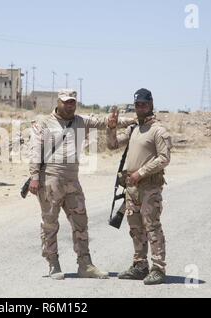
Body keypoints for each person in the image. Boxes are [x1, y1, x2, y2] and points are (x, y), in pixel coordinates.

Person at [29, 89, 135, 280]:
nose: (70, 105)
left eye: (72, 102)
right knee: (50, 223)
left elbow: (106, 122)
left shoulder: (80, 121)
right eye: (66, 102)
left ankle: (85, 265)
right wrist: (35, 177)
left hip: (72, 180)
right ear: (58, 102)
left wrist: (133, 121)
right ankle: (53, 264)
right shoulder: (43, 122)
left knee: (81, 222)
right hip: (50, 180)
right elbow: (35, 150)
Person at [107, 88, 172, 285]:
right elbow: (112, 145)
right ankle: (140, 265)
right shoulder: (134, 128)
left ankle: (158, 268)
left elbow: (164, 158)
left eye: (143, 104)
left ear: (151, 104)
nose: (140, 107)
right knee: (135, 228)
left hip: (149, 187)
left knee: (152, 227)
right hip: (132, 187)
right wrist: (110, 128)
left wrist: (140, 173)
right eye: (137, 104)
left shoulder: (158, 130)